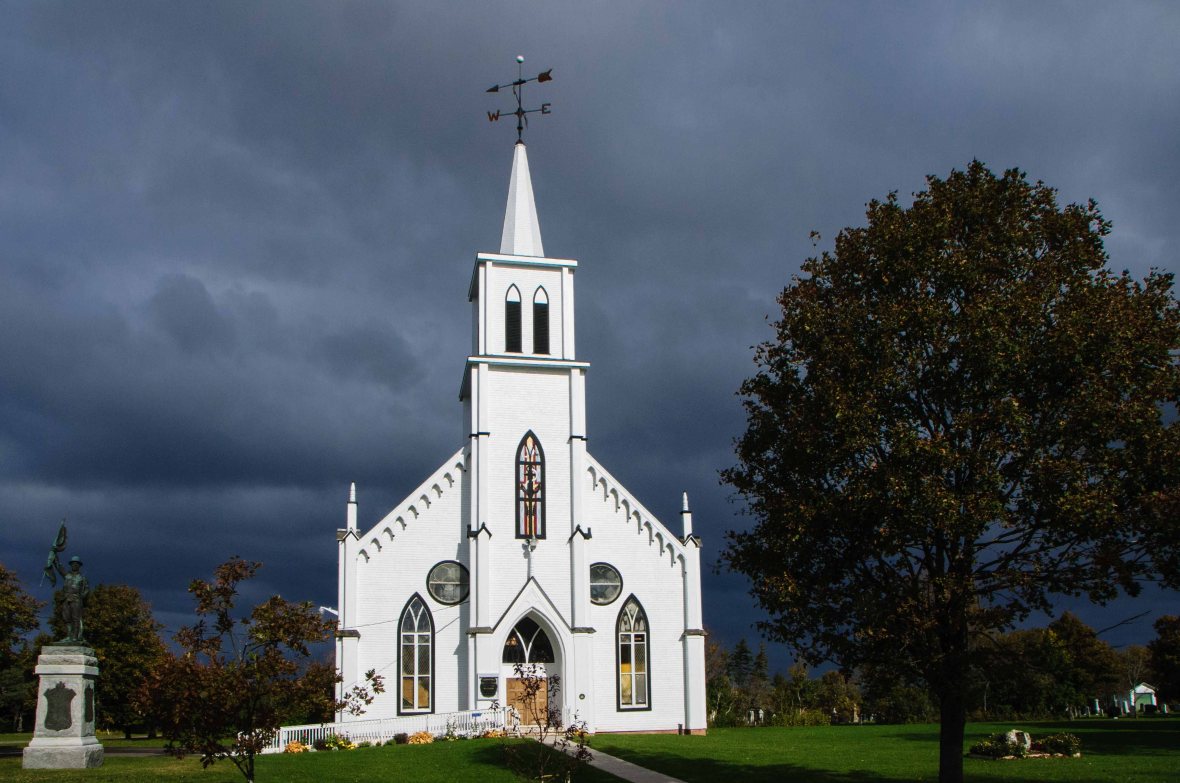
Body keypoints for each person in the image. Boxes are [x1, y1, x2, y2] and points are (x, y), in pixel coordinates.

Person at [54, 555, 89, 643]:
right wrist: (54, 555)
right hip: (66, 599)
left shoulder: (82, 578)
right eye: (73, 563)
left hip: (76, 600)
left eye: (76, 564)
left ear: (79, 566)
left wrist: (82, 596)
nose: (75, 565)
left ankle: (75, 637)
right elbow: (59, 567)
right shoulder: (67, 576)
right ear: (71, 565)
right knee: (66, 618)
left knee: (76, 618)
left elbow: (87, 589)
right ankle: (69, 636)